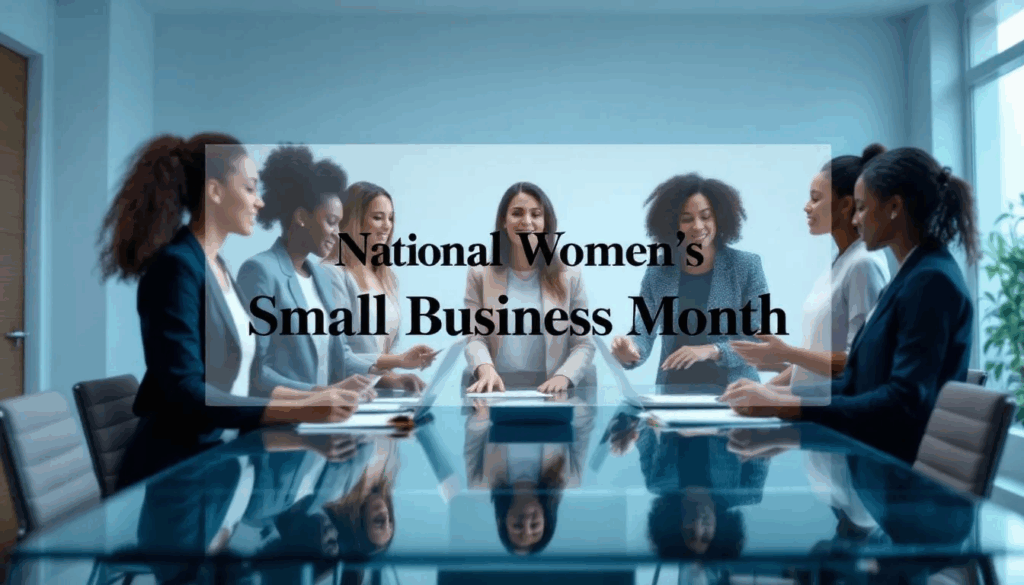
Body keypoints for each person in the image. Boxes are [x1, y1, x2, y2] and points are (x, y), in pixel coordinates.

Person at [99, 134, 360, 489]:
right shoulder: (176, 267)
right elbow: (186, 392)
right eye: (250, 189)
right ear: (215, 191)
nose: (260, 202)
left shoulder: (218, 266)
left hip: (218, 463)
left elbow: (249, 380)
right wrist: (303, 409)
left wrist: (318, 397)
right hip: (174, 471)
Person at [722, 147, 977, 464]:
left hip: (894, 473)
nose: (856, 219)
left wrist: (784, 404)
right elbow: (859, 383)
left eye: (861, 208)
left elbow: (902, 403)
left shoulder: (930, 281)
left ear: (894, 207)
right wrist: (776, 397)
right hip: (870, 457)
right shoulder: (912, 275)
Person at [236, 147, 436, 400]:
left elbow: (342, 356)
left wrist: (393, 371)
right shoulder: (260, 271)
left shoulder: (317, 278)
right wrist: (322, 393)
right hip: (283, 421)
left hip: (323, 419)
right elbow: (256, 370)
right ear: (301, 217)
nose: (336, 232)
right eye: (331, 222)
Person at [729, 145, 891, 386]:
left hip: (840, 414)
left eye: (815, 199)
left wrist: (786, 353)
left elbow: (859, 360)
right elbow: (812, 360)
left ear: (846, 205)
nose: (807, 207)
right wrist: (763, 390)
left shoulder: (864, 264)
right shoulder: (840, 262)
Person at [610, 173, 769, 395]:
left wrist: (712, 350)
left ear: (720, 218)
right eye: (686, 219)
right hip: (673, 395)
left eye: (706, 216)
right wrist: (631, 350)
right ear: (672, 223)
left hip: (735, 394)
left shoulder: (746, 266)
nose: (698, 226)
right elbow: (644, 332)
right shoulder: (658, 272)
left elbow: (758, 341)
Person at [464, 182, 595, 395]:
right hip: (497, 391)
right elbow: (474, 337)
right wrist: (486, 370)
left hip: (551, 392)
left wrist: (564, 376)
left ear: (545, 223)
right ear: (503, 222)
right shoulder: (479, 274)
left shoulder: (569, 274)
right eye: (517, 213)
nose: (527, 221)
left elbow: (584, 344)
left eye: (536, 214)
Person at [323, 181, 427, 394]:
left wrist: (395, 379)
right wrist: (399, 361)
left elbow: (376, 351)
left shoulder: (385, 277)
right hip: (340, 396)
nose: (387, 225)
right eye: (377, 217)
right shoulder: (332, 273)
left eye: (390, 218)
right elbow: (337, 355)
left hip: (371, 394)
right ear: (354, 221)